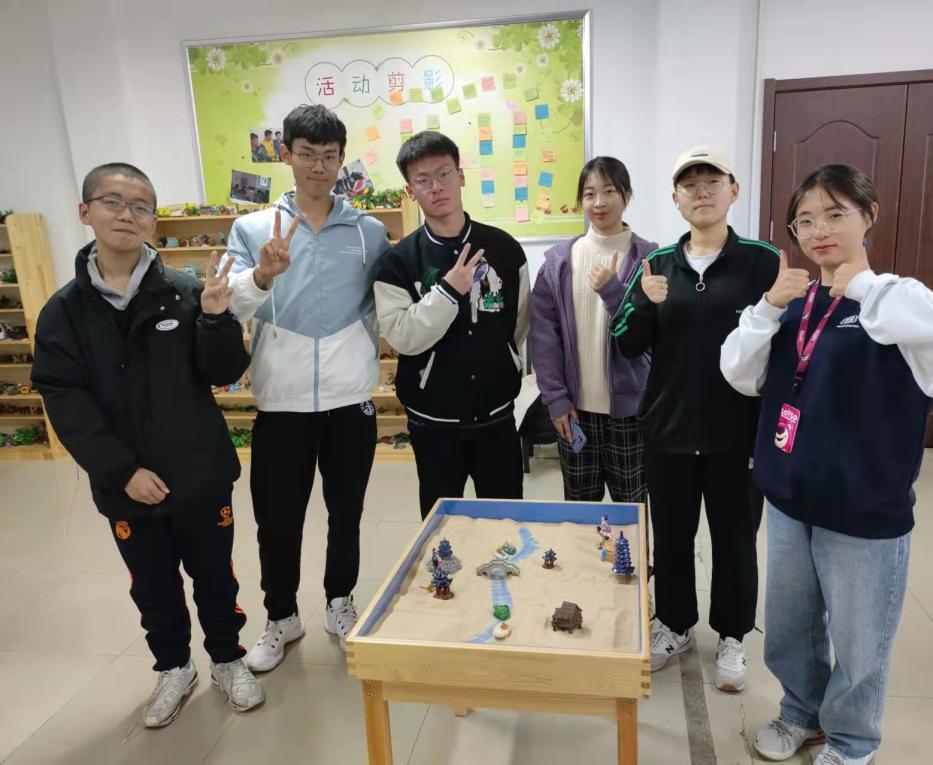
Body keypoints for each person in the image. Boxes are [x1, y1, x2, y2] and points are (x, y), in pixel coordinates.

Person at [721, 164, 933, 765]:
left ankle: (853, 742)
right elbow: (739, 373)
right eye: (805, 221)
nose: (819, 231)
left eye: (835, 215)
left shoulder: (897, 304)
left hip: (862, 511)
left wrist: (862, 286)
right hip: (790, 499)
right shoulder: (794, 307)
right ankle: (800, 713)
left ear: (870, 216)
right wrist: (765, 308)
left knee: (860, 639)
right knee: (790, 625)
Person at [31, 163, 263, 727]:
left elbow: (223, 372)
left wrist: (216, 320)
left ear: (153, 222)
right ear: (85, 212)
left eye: (140, 206)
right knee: (153, 585)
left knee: (216, 575)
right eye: (112, 202)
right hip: (127, 487)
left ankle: (227, 658)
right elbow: (65, 400)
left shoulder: (186, 292)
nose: (126, 215)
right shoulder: (64, 312)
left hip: (200, 473)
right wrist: (120, 471)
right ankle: (173, 667)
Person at [227, 104, 390, 671]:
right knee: (277, 520)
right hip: (282, 402)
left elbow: (388, 304)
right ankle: (281, 616)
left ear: (342, 159)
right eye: (307, 154)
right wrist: (260, 275)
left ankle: (340, 602)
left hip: (350, 401)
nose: (318, 167)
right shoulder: (253, 229)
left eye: (329, 156)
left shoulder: (369, 232)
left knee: (347, 512)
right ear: (287, 155)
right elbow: (229, 305)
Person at [611, 147, 778, 689]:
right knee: (672, 538)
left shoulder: (763, 262)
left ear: (734, 190)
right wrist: (644, 302)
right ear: (675, 198)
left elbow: (783, 355)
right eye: (690, 184)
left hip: (737, 436)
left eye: (713, 181)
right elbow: (624, 341)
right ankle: (675, 625)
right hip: (669, 431)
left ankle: (732, 636)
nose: (701, 192)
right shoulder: (657, 264)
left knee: (736, 540)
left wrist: (766, 435)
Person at [375, 131, 530, 519]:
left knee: (506, 522)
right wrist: (447, 292)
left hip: (497, 417)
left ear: (460, 175)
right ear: (411, 191)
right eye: (423, 180)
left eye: (444, 173)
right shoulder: (398, 262)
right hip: (433, 423)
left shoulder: (505, 249)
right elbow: (403, 337)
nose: (436, 186)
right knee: (441, 528)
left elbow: (519, 323)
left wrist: (503, 359)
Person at [531, 156, 655, 502]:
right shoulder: (558, 262)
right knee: (580, 512)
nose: (599, 202)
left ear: (627, 196)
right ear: (580, 201)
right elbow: (544, 338)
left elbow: (652, 338)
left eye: (609, 191)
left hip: (632, 414)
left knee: (632, 510)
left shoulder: (650, 260)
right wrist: (556, 399)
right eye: (589, 194)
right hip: (575, 412)